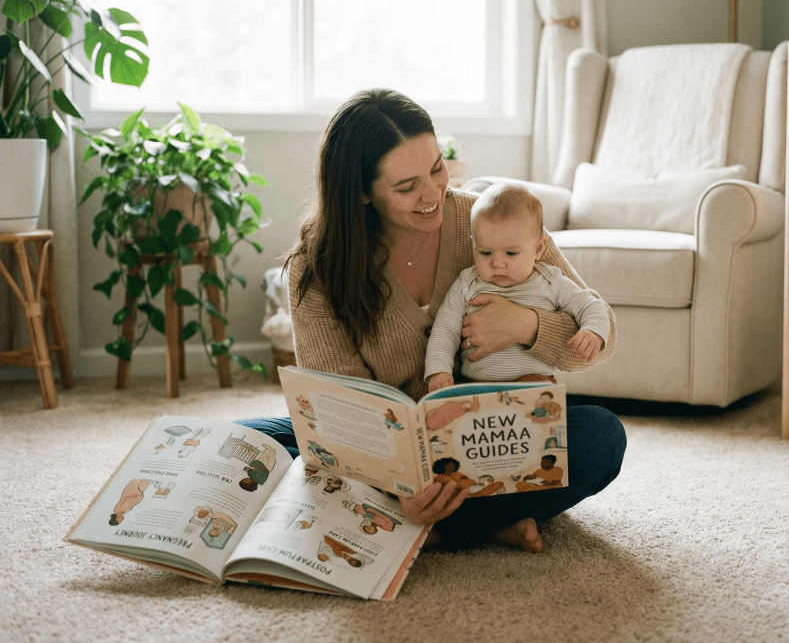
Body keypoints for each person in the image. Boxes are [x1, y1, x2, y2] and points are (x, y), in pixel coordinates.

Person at [236, 88, 626, 553]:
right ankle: (467, 524)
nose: (433, 193)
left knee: (601, 437)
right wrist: (399, 488)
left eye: (437, 168)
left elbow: (600, 338)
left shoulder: (486, 223)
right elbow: (337, 403)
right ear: (360, 191)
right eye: (406, 187)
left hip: (494, 437)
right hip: (385, 448)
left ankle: (429, 530)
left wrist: (528, 327)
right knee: (239, 443)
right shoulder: (317, 264)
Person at [424, 182, 610, 392]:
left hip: (532, 381)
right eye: (485, 252)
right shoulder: (467, 282)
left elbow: (590, 305)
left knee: (584, 415)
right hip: (477, 384)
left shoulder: (551, 281)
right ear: (473, 245)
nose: (497, 263)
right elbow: (444, 330)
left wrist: (593, 330)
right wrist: (439, 371)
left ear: (538, 249)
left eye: (511, 254)